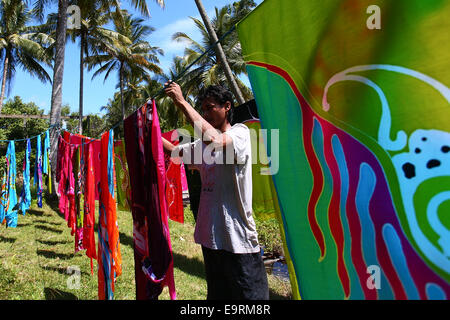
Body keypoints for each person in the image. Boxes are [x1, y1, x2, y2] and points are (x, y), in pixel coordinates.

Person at [162, 81, 269, 300]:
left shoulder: (241, 134)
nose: (206, 113)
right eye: (203, 109)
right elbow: (174, 152)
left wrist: (182, 102)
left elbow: (216, 139)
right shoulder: (201, 146)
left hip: (238, 243)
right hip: (210, 241)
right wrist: (150, 130)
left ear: (227, 107)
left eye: (210, 107)